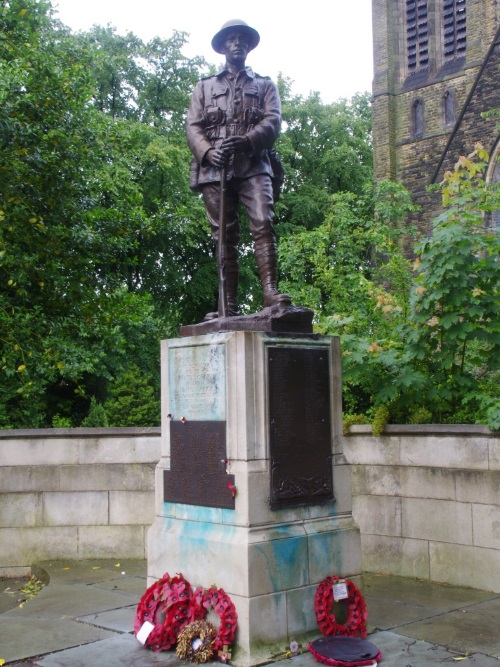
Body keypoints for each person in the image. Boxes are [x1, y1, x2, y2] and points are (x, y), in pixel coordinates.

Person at [186, 19, 291, 319]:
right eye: (231, 39)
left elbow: (273, 122)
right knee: (223, 235)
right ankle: (227, 304)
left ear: (248, 45)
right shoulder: (204, 87)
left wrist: (246, 141)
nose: (237, 43)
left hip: (253, 163)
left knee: (263, 221)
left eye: (242, 39)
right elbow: (192, 126)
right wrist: (207, 152)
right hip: (214, 169)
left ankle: (270, 291)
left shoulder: (265, 85)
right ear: (222, 46)